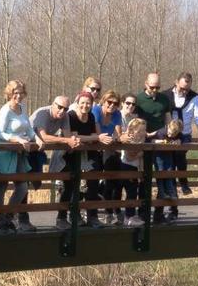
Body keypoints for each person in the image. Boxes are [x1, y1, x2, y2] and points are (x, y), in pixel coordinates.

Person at [58, 92, 114, 229]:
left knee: (93, 184)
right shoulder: (70, 116)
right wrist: (94, 138)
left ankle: (92, 216)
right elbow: (74, 137)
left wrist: (93, 137)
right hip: (71, 155)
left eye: (88, 103)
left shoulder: (91, 116)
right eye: (82, 102)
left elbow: (96, 134)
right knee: (70, 186)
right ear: (77, 103)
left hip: (89, 155)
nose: (85, 105)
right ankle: (65, 217)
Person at [30, 96, 81, 231]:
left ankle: (62, 218)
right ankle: (18, 216)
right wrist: (66, 141)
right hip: (27, 148)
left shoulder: (65, 117)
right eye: (59, 107)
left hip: (40, 150)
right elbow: (44, 137)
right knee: (25, 183)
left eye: (66, 109)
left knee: (69, 181)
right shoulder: (43, 114)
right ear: (53, 104)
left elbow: (67, 136)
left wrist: (73, 141)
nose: (62, 111)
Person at [163, 73, 198, 203]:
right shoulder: (165, 95)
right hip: (169, 134)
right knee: (170, 166)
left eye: (187, 89)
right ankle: (174, 202)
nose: (185, 91)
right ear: (176, 82)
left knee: (179, 154)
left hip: (184, 134)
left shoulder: (194, 97)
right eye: (182, 88)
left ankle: (183, 182)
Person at [0, 80, 34, 235]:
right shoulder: (5, 110)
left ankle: (8, 216)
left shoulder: (23, 108)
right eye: (15, 93)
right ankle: (0, 220)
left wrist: (36, 139)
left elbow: (29, 129)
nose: (18, 96)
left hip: (19, 153)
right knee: (1, 187)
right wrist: (17, 139)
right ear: (9, 93)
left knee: (22, 187)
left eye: (21, 92)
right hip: (5, 151)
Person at [134, 73, 174, 223]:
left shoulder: (164, 99)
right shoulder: (138, 99)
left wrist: (171, 136)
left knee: (163, 177)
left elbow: (168, 119)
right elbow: (135, 122)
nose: (155, 90)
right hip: (144, 143)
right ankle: (143, 212)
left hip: (161, 142)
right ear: (146, 84)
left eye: (158, 87)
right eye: (152, 87)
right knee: (144, 179)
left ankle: (159, 213)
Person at [95, 91, 124, 225]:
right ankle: (94, 213)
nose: (112, 106)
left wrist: (121, 138)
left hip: (109, 147)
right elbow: (98, 133)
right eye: (109, 102)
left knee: (115, 178)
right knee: (91, 182)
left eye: (115, 103)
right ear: (103, 101)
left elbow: (119, 133)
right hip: (94, 145)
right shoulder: (96, 110)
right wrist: (110, 139)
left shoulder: (117, 114)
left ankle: (113, 210)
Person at [118, 118, 148, 227]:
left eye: (143, 131)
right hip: (126, 167)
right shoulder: (129, 139)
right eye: (139, 131)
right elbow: (129, 156)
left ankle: (132, 215)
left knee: (134, 192)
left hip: (136, 168)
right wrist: (142, 152)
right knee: (131, 192)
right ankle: (128, 217)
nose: (141, 133)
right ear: (132, 130)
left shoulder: (142, 140)